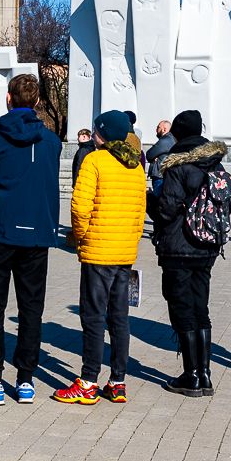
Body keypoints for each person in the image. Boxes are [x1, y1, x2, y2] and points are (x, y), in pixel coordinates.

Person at [0, 74, 63, 406]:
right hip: (35, 233)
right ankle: (25, 380)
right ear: (37, 102)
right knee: (31, 308)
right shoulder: (50, 142)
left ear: (8, 98)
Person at [53, 110, 145, 406]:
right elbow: (141, 212)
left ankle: (88, 381)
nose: (93, 135)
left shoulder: (94, 160)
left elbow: (79, 207)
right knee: (119, 317)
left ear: (103, 133)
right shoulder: (136, 166)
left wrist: (81, 237)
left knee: (93, 316)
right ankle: (117, 381)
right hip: (124, 251)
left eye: (96, 130)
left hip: (98, 251)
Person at [153, 109, 227, 397]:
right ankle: (205, 374)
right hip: (207, 246)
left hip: (179, 247)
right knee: (200, 308)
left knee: (182, 308)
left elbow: (167, 209)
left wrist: (151, 201)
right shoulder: (214, 164)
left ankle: (191, 375)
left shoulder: (177, 164)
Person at [145, 120, 176, 195]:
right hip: (162, 176)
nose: (156, 130)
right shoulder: (170, 139)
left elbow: (149, 154)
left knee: (158, 198)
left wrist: (154, 158)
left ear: (164, 129)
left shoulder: (165, 140)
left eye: (158, 127)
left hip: (160, 177)